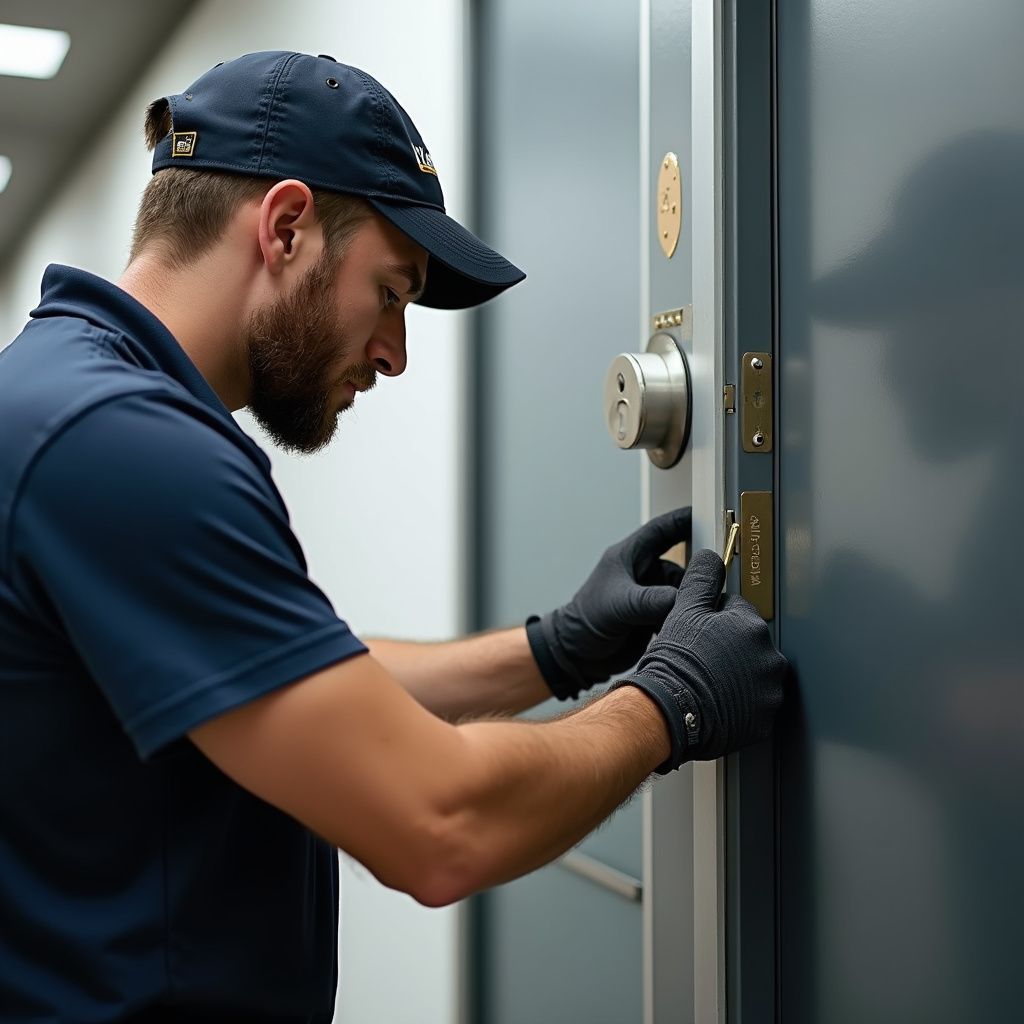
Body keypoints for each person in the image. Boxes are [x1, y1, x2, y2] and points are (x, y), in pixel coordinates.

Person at [0, 52, 787, 1022]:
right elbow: (440, 824)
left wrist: (555, 650)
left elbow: (277, 677)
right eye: (391, 292)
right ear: (285, 227)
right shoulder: (118, 442)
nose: (395, 353)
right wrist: (671, 704)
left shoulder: (69, 403)